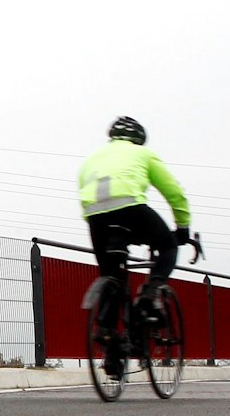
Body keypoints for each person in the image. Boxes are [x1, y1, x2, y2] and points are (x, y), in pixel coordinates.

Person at [78, 116, 192, 373]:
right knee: (168, 247)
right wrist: (183, 227)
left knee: (112, 275)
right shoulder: (142, 153)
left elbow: (82, 193)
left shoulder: (92, 159)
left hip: (96, 217)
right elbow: (174, 191)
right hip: (130, 208)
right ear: (138, 138)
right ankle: (150, 295)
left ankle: (108, 341)